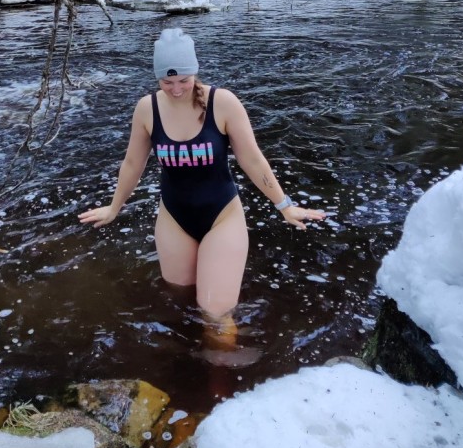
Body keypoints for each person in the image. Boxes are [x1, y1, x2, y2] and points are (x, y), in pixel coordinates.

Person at [78, 28, 327, 323]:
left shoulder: (222, 103)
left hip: (222, 217)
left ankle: (225, 354)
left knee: (216, 317)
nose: (176, 89)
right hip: (174, 218)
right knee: (179, 300)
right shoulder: (147, 109)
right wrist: (114, 207)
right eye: (167, 82)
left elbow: (252, 160)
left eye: (183, 80)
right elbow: (133, 163)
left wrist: (285, 206)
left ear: (195, 72)